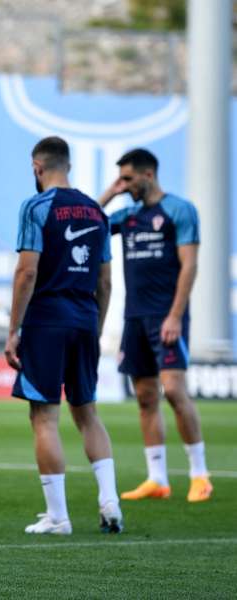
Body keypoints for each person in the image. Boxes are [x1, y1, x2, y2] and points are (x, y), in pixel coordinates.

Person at [4, 136, 122, 535]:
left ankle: (58, 516)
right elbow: (105, 281)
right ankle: (109, 499)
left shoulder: (36, 207)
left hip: (46, 320)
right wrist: (99, 326)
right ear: (66, 165)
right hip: (86, 319)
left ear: (38, 167)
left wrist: (13, 329)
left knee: (44, 416)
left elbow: (27, 272)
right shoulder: (95, 210)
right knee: (87, 412)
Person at [98, 148, 212, 502]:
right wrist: (110, 193)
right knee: (146, 397)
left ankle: (199, 475)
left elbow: (189, 265)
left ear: (148, 175)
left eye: (129, 178)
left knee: (175, 391)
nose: (125, 185)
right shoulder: (128, 214)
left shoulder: (179, 210)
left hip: (168, 317)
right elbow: (88, 221)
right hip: (134, 316)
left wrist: (176, 315)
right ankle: (157, 479)